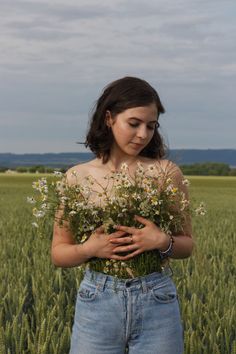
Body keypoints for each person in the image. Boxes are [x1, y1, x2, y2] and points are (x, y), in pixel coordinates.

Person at [51, 76, 193, 354]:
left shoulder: (166, 173)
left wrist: (161, 241)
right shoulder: (77, 177)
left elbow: (186, 245)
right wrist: (90, 249)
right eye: (134, 123)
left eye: (151, 126)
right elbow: (59, 253)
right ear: (108, 118)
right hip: (97, 301)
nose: (143, 134)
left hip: (157, 299)